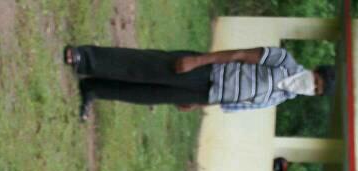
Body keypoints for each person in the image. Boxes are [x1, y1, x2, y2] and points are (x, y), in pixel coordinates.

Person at [62, 45, 336, 120]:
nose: (311, 88)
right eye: (315, 81)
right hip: (207, 71)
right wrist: (198, 60)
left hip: (207, 94)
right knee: (144, 67)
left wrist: (200, 103)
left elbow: (239, 101)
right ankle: (85, 58)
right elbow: (240, 55)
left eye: (316, 91)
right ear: (313, 71)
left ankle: (93, 88)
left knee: (146, 94)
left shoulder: (282, 98)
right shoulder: (283, 60)